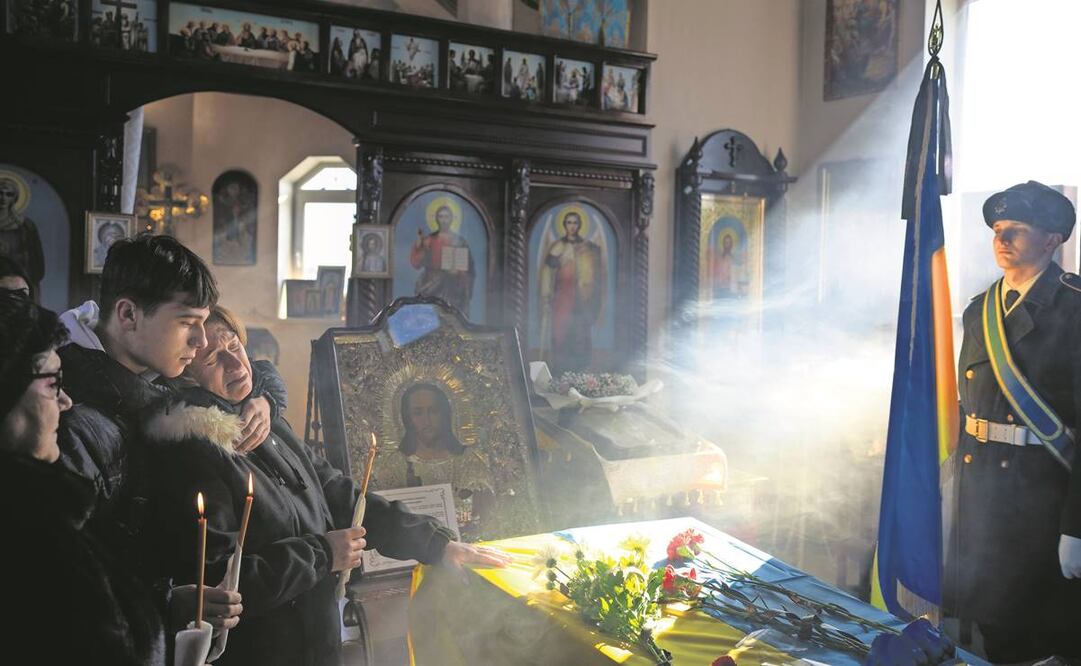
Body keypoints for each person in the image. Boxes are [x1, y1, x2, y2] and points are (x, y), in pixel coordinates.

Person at [141, 306, 510, 666]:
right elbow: (219, 585)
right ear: (185, 374)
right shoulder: (192, 454)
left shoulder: (260, 421)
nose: (236, 364)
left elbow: (339, 494)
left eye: (234, 346)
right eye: (213, 359)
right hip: (264, 652)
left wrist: (436, 544)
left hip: (315, 643)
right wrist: (321, 554)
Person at [57, 235, 273, 632]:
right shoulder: (72, 416)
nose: (201, 340)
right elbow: (61, 577)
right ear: (128, 315)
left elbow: (259, 371)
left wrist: (263, 398)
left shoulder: (148, 378)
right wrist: (167, 601)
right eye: (188, 323)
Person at [944, 181, 1081, 662]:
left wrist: (1077, 526)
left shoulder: (1076, 308)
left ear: (1052, 240)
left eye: (1016, 230)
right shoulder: (979, 310)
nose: (1001, 239)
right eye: (998, 229)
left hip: (1043, 503)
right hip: (983, 501)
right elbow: (970, 409)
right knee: (993, 633)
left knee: (1040, 641)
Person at [0, 293, 167, 664]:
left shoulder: (44, 510)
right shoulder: (28, 536)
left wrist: (167, 606)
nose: (66, 402)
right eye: (52, 383)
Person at [539, 207, 606, 374]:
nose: (572, 226)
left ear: (580, 225)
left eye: (575, 222)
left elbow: (597, 275)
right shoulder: (557, 246)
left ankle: (581, 368)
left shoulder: (588, 247)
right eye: (569, 222)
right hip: (563, 296)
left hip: (583, 299)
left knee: (581, 331)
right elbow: (547, 270)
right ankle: (560, 369)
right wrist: (546, 293)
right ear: (564, 224)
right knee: (561, 330)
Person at [410, 199, 475, 314]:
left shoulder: (460, 242)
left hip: (453, 288)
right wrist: (419, 245)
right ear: (436, 218)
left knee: (451, 318)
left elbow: (470, 269)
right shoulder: (429, 240)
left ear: (451, 219)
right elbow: (416, 263)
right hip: (432, 284)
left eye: (447, 217)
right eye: (441, 216)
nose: (444, 220)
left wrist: (459, 273)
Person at [0, 173, 45, 296]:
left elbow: (36, 262)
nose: (3, 198)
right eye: (0, 193)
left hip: (19, 282)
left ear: (15, 198)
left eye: (9, 194)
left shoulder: (25, 225)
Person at [399, 383, 465, 461]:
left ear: (444, 414)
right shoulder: (394, 464)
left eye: (433, 411)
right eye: (418, 413)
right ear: (407, 418)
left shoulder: (469, 460)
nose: (427, 421)